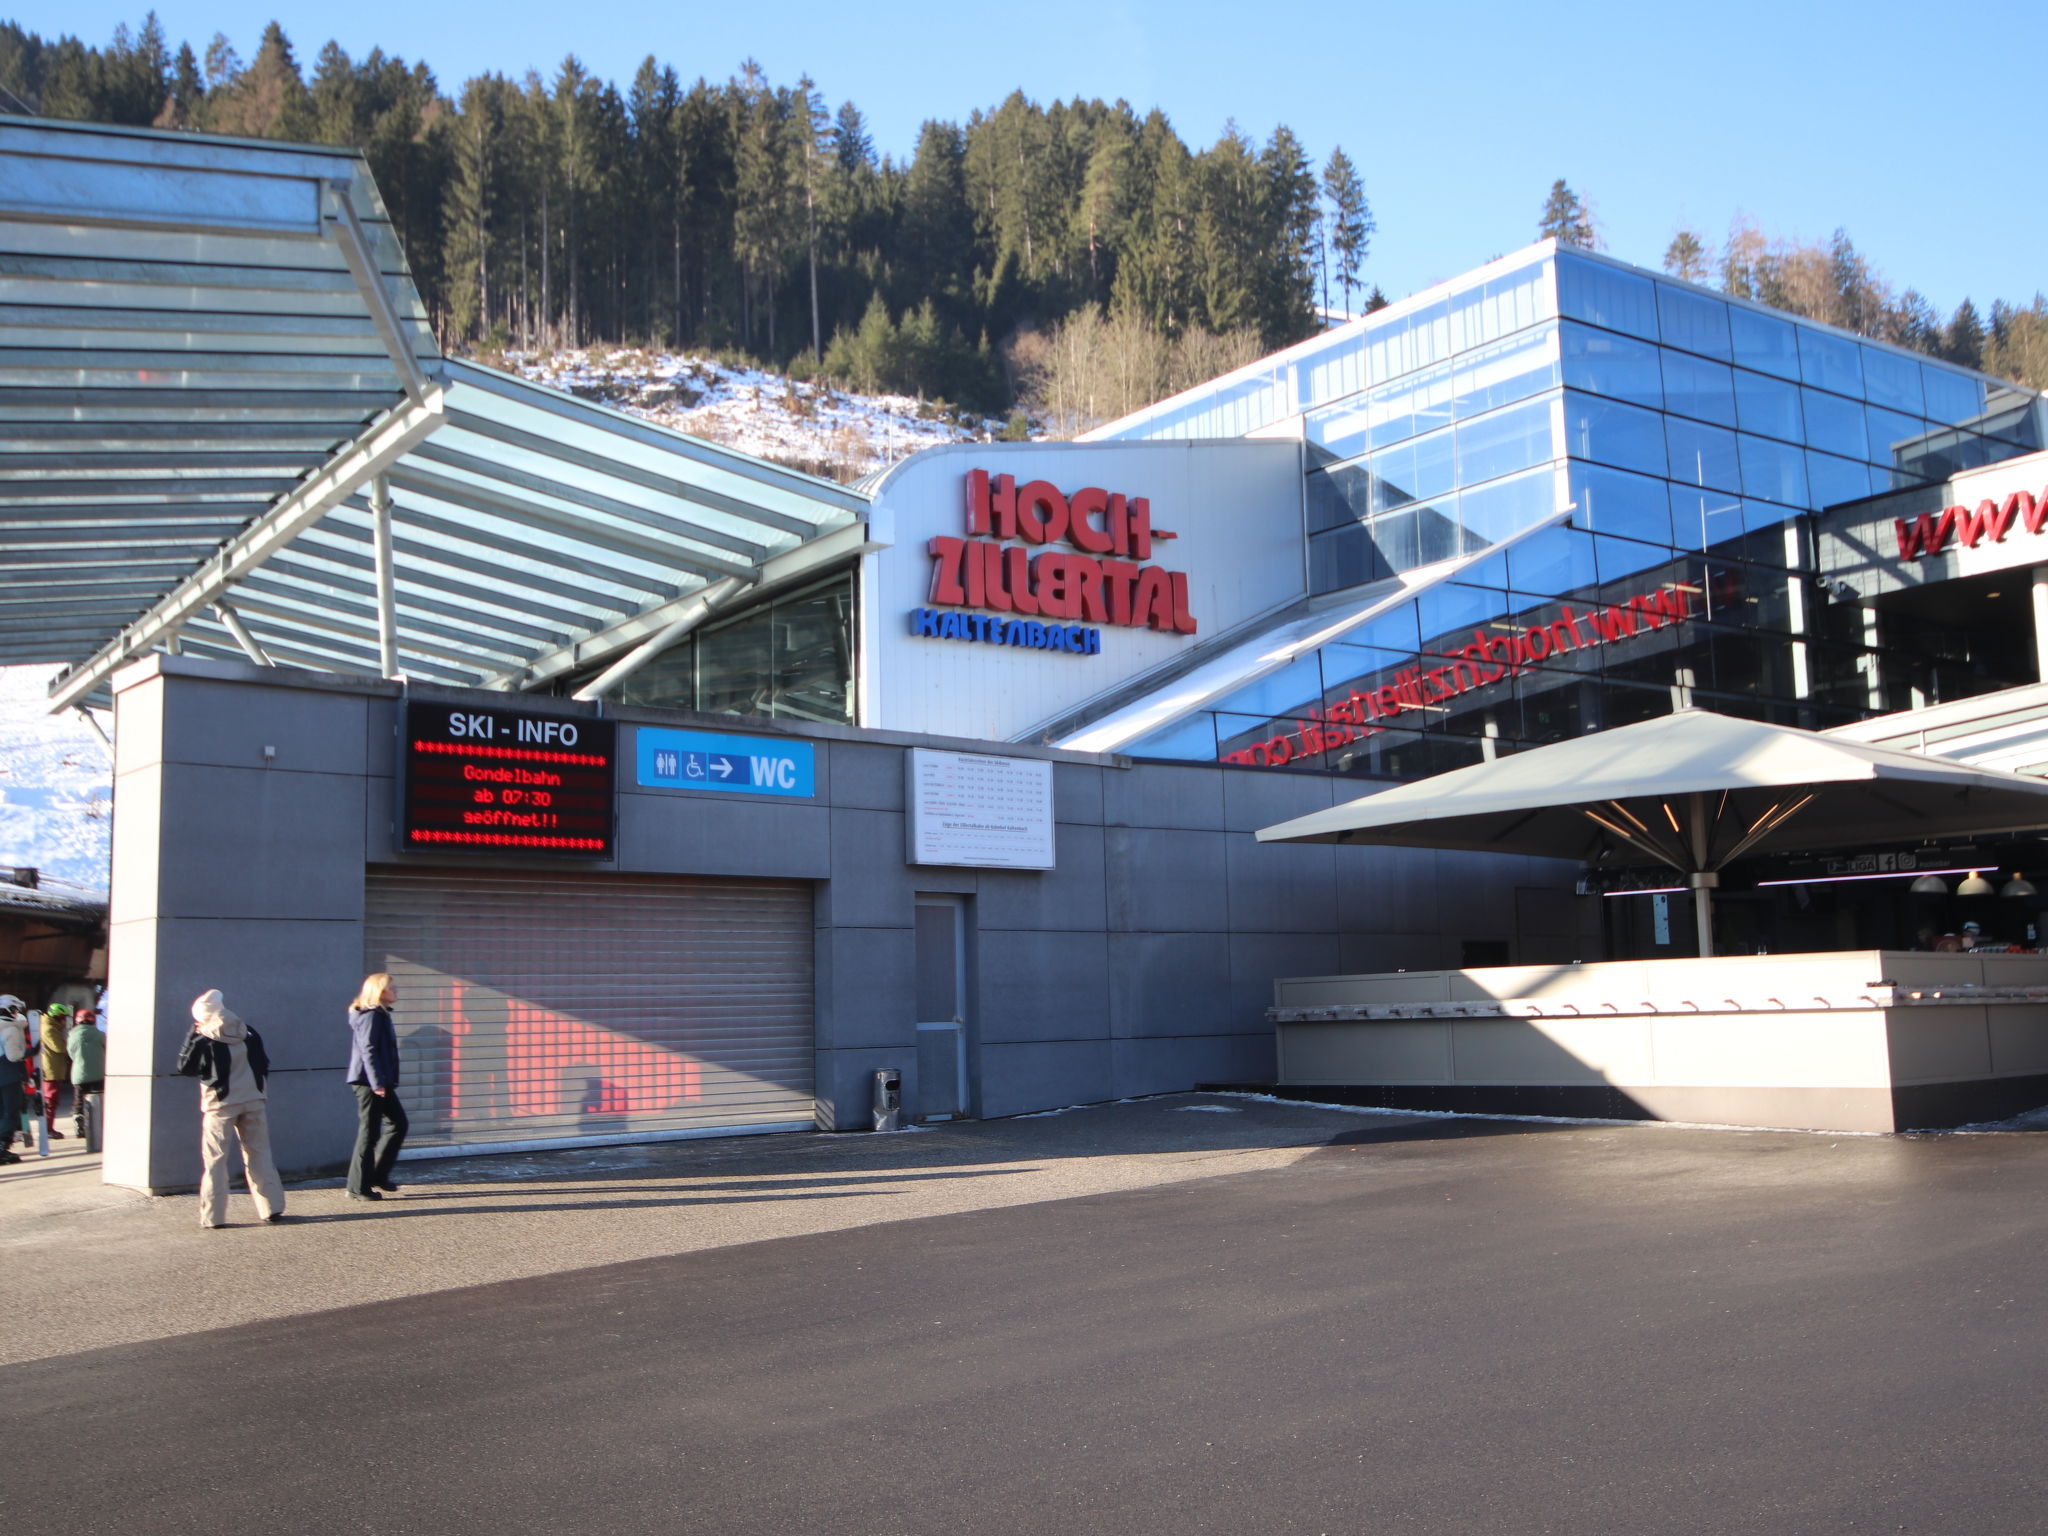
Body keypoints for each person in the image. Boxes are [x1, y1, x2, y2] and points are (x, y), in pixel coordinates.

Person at [176, 988, 286, 1228]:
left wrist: (192, 1035)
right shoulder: (248, 1031)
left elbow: (185, 1067)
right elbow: (263, 1063)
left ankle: (214, 1217)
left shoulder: (203, 1036)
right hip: (254, 1100)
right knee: (259, 1153)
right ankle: (271, 1207)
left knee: (215, 1159)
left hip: (220, 1103)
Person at [345, 973, 407, 1201]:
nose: (396, 991)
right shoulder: (371, 1016)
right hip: (369, 1082)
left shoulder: (380, 1015)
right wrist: (378, 1083)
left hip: (378, 1081)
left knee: (398, 1124)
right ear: (380, 992)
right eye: (392, 988)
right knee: (369, 1134)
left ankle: (378, 1174)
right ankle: (358, 1187)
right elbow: (367, 1050)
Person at [33, 1003, 71, 1139]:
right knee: (50, 1100)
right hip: (50, 1070)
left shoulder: (52, 1027)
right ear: (57, 1017)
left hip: (53, 1068)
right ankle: (48, 1129)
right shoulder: (49, 1029)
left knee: (52, 1100)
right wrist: (68, 1041)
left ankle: (49, 1128)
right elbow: (59, 1047)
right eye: (64, 1018)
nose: (65, 1021)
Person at [67, 1007, 105, 1140]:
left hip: (79, 1073)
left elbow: (71, 1053)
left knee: (79, 1101)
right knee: (98, 1101)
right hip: (98, 1072)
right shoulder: (100, 1034)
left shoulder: (72, 1035)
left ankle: (79, 1118)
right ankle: (98, 1125)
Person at [0, 995, 28, 1165]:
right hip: (9, 1075)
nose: (17, 1013)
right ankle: (2, 1147)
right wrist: (32, 1052)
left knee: (1, 1112)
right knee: (10, 1112)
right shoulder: (11, 1028)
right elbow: (13, 1055)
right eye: (16, 1010)